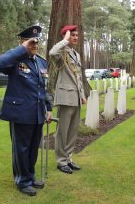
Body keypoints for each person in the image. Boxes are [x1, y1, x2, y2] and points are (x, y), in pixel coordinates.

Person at [0, 25, 52, 196]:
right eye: (31, 42)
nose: (35, 46)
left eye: (36, 43)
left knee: (33, 148)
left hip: (37, 113)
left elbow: (44, 88)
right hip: (20, 112)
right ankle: (22, 181)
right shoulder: (15, 60)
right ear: (23, 42)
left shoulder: (42, 62)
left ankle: (30, 176)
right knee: (21, 149)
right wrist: (22, 49)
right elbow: (1, 63)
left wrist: (48, 108)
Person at [49, 25, 86, 174]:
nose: (76, 38)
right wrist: (64, 40)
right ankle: (61, 161)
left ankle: (69, 158)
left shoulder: (76, 55)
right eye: (72, 35)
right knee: (62, 131)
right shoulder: (61, 53)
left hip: (76, 97)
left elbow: (78, 77)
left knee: (72, 130)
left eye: (77, 35)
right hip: (65, 97)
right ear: (66, 36)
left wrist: (82, 95)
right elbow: (52, 52)